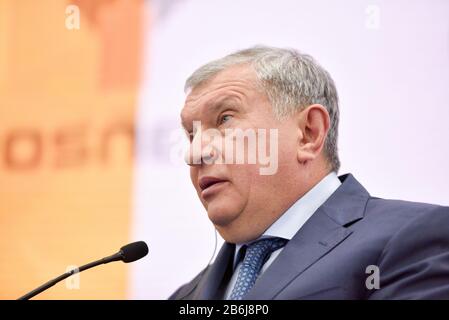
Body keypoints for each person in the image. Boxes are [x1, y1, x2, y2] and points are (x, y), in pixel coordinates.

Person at [170, 46, 449, 300]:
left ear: (308, 133)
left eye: (225, 119)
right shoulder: (184, 297)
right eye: (192, 133)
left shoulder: (413, 239)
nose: (194, 153)